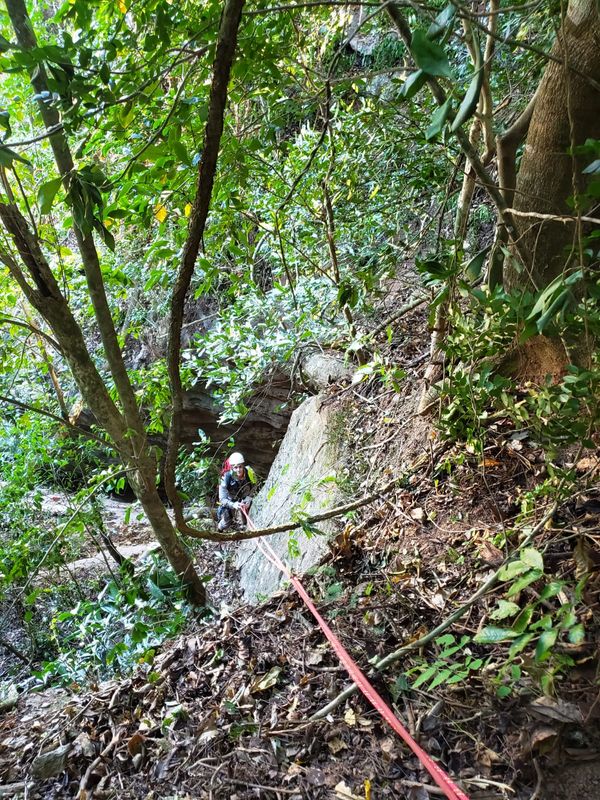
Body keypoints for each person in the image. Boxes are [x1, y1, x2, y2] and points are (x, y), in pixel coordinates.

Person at [217, 452, 257, 532]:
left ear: (243, 465)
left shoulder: (250, 472)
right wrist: (233, 504)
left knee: (246, 518)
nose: (238, 470)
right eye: (235, 467)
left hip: (244, 498)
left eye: (240, 467)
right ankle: (219, 531)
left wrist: (249, 498)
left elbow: (255, 485)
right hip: (230, 501)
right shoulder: (226, 477)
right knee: (226, 522)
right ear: (232, 468)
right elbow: (222, 498)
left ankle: (244, 527)